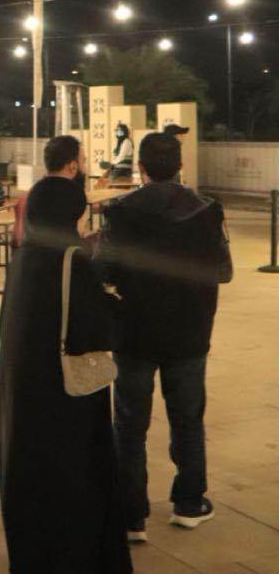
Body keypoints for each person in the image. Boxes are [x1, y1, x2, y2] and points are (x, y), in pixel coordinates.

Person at [95, 132, 233, 540]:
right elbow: (223, 271)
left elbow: (102, 269)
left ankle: (131, 514)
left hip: (134, 332)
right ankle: (189, 502)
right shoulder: (208, 210)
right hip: (190, 332)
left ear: (140, 168)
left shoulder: (120, 212)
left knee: (129, 424)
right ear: (180, 165)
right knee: (188, 420)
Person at [0, 177, 131, 572]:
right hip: (63, 400)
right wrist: (115, 303)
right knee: (74, 484)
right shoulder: (72, 259)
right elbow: (95, 330)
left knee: (32, 484)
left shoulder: (23, 257)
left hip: (23, 389)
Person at [11, 134, 87, 249]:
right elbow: (78, 233)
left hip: (26, 257)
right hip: (58, 259)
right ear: (73, 166)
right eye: (83, 162)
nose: (85, 168)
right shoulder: (72, 194)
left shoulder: (32, 193)